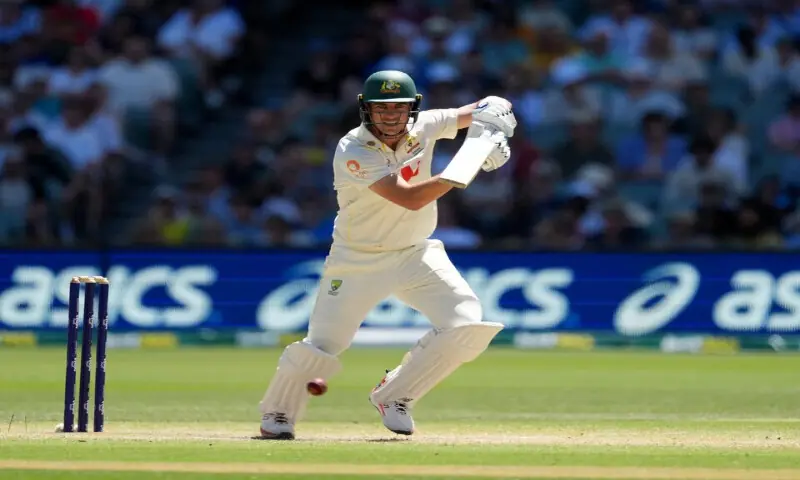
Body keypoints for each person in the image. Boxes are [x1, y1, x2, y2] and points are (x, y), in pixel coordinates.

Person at [257, 70, 516, 440]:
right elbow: (411, 198)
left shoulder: (425, 125)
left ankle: (395, 396)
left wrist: (497, 112)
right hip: (357, 259)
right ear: (366, 110)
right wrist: (475, 155)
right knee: (324, 346)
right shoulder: (353, 149)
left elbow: (480, 110)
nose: (390, 116)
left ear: (413, 108)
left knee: (467, 326)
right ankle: (278, 413)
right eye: (381, 109)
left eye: (398, 108)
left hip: (415, 253)